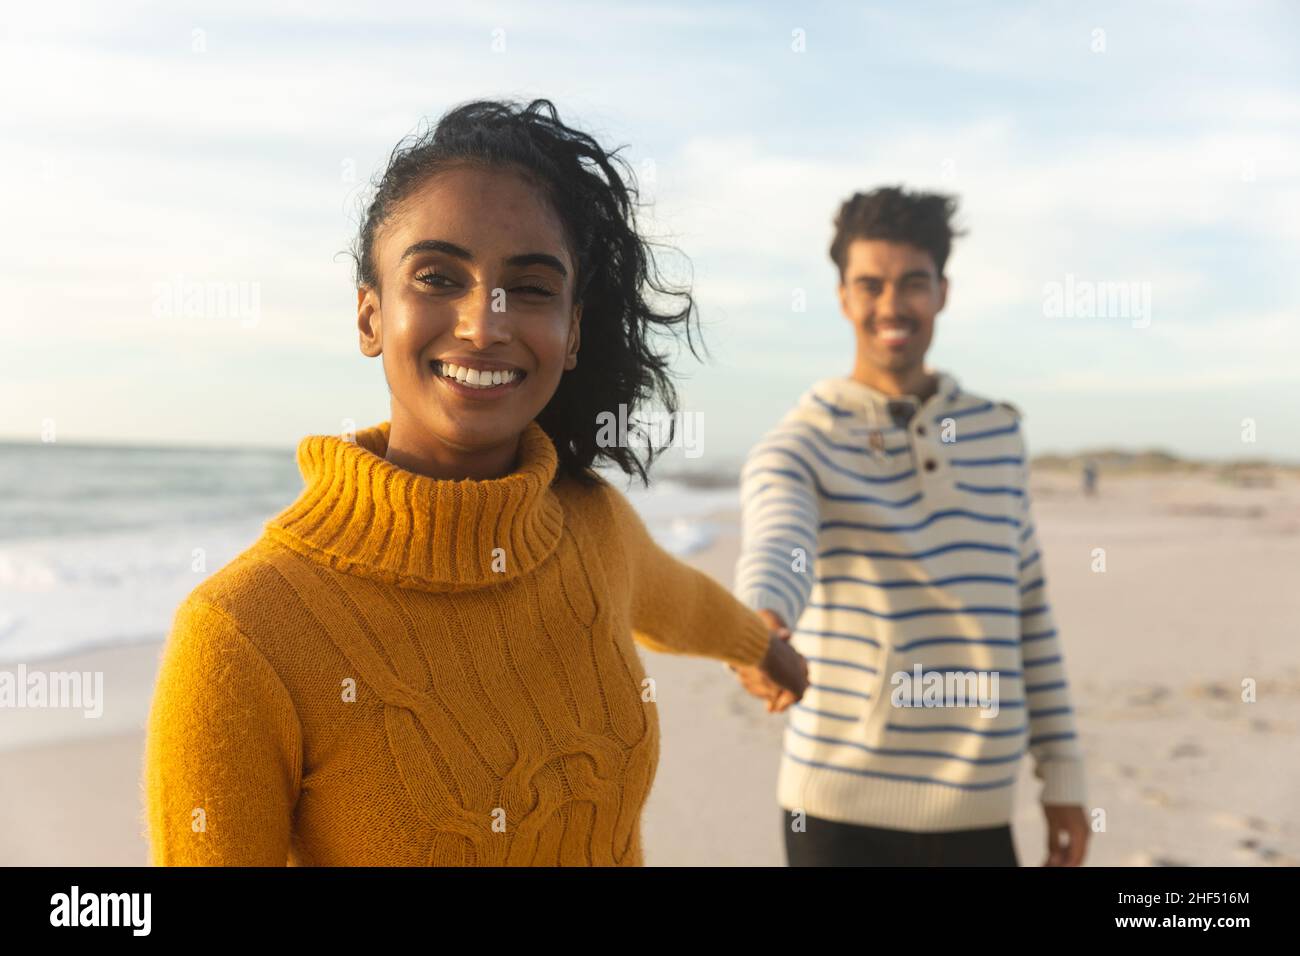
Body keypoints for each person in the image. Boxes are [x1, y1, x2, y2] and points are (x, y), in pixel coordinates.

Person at [142, 98, 807, 867]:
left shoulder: (590, 527)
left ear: (572, 333)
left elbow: (679, 602)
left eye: (529, 287)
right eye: (436, 277)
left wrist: (763, 650)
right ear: (369, 317)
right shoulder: (241, 639)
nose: (484, 324)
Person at [729, 186, 1089, 866]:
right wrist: (762, 624)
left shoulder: (998, 434)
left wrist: (1062, 775)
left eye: (912, 284)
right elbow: (780, 546)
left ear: (943, 292)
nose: (891, 305)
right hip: (837, 812)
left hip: (980, 807)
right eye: (869, 285)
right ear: (842, 297)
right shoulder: (800, 442)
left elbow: (1031, 612)